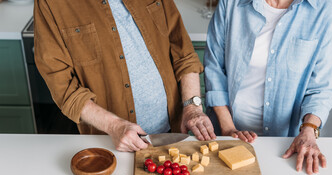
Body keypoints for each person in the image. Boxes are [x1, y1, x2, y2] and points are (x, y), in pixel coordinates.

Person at [34, 0, 216, 152]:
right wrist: (115, 126)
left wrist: (192, 108)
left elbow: (183, 51)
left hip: (172, 133)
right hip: (112, 143)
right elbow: (62, 85)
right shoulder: (52, 3)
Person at [204, 0, 332, 174]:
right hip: (227, 134)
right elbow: (214, 67)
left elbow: (322, 88)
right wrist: (228, 129)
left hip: (286, 143)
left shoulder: (325, 12)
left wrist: (309, 130)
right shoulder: (231, 4)